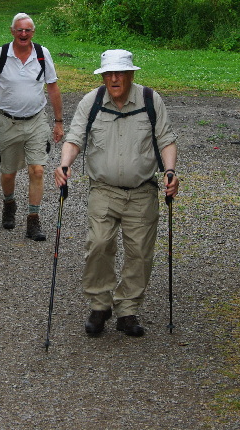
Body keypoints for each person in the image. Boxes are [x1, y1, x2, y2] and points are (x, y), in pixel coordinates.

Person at [55, 49, 179, 337]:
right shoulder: (92, 101)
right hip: (103, 190)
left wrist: (171, 172)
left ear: (131, 74)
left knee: (140, 254)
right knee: (98, 245)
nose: (114, 78)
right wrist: (64, 164)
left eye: (119, 73)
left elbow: (166, 140)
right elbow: (74, 138)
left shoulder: (150, 100)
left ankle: (127, 310)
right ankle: (100, 305)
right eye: (108, 74)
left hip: (142, 191)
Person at [0, 13, 64, 241]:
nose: (23, 34)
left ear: (33, 32)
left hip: (36, 120)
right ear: (12, 31)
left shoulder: (42, 54)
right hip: (8, 121)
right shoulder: (1, 54)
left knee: (37, 170)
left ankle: (33, 220)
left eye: (27, 30)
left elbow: (53, 88)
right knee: (8, 173)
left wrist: (58, 122)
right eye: (19, 30)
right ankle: (9, 202)